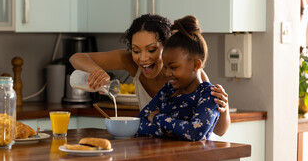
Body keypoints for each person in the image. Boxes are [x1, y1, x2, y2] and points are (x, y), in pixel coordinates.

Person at [69, 14, 230, 136]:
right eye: (136, 50)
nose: (143, 58)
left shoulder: (192, 75)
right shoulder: (132, 63)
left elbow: (219, 131)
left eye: (151, 50)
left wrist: (224, 109)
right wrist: (98, 72)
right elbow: (76, 58)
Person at [137, 15, 219, 141]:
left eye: (173, 67)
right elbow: (139, 122)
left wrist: (157, 118)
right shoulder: (167, 90)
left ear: (196, 65)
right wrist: (176, 131)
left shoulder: (208, 95)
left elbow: (194, 132)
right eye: (165, 67)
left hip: (193, 160)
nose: (167, 73)